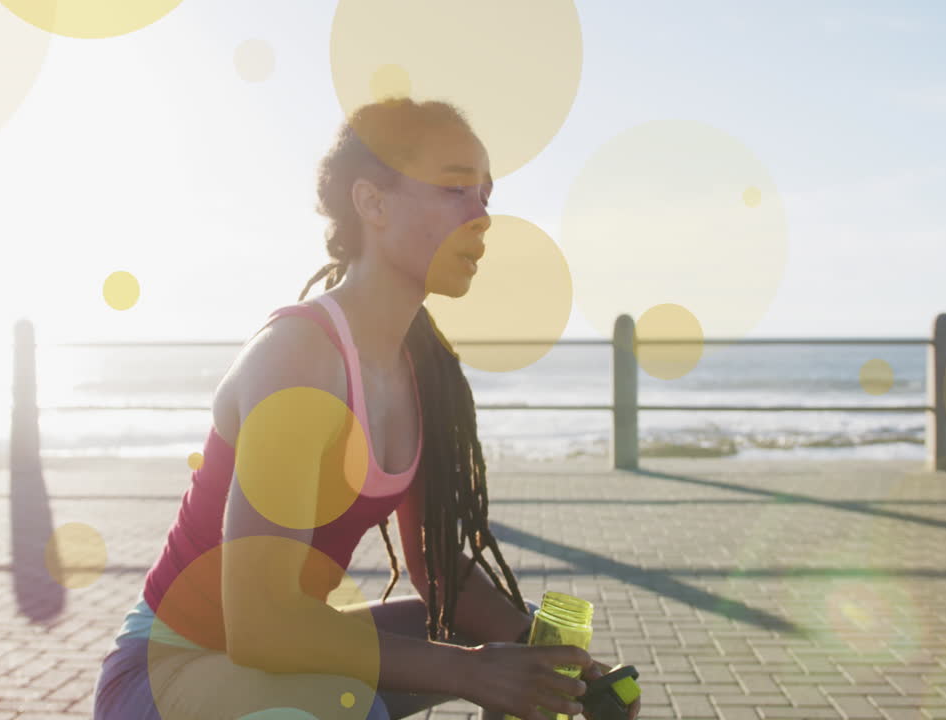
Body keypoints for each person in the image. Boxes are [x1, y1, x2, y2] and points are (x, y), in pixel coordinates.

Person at [92, 97, 640, 720]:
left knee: (477, 635)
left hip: (265, 666)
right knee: (349, 708)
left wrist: (548, 669)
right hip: (167, 672)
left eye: (487, 195)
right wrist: (471, 672)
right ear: (372, 203)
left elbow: (437, 573)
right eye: (457, 188)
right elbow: (262, 626)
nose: (482, 216)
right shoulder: (299, 357)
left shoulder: (421, 370)